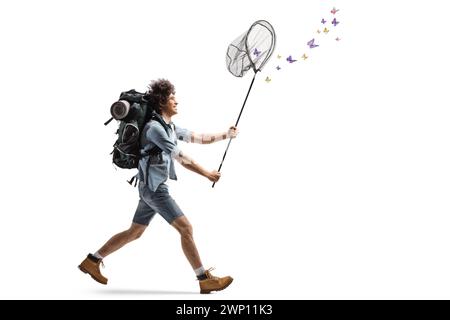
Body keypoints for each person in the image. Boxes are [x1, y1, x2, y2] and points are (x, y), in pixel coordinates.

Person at [78, 79, 238, 294]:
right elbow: (180, 157)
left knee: (134, 232)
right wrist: (207, 174)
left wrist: (225, 135)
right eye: (172, 98)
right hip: (155, 190)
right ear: (162, 102)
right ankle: (203, 278)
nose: (176, 101)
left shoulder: (169, 127)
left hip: (148, 188)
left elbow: (198, 138)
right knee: (186, 229)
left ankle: (92, 261)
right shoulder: (155, 129)